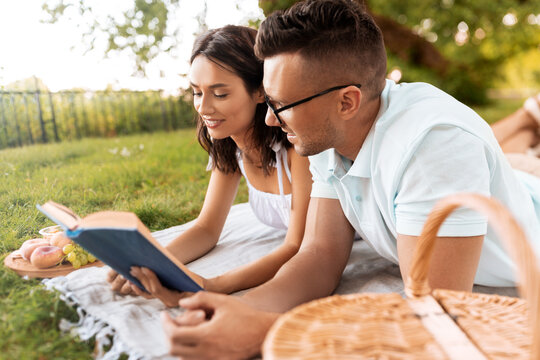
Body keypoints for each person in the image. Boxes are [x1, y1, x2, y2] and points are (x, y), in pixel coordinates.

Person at [159, 0, 540, 358]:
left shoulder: (434, 147)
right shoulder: (327, 136)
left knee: (520, 161)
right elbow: (319, 255)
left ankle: (528, 122)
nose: (270, 119)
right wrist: (238, 308)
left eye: (280, 105)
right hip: (504, 188)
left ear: (347, 101)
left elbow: (433, 315)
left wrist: (264, 332)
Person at [107, 25, 312, 306]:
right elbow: (207, 228)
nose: (204, 108)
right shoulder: (228, 144)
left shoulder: (298, 147)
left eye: (220, 94)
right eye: (197, 93)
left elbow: (297, 246)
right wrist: (153, 263)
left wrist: (210, 286)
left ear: (260, 92)